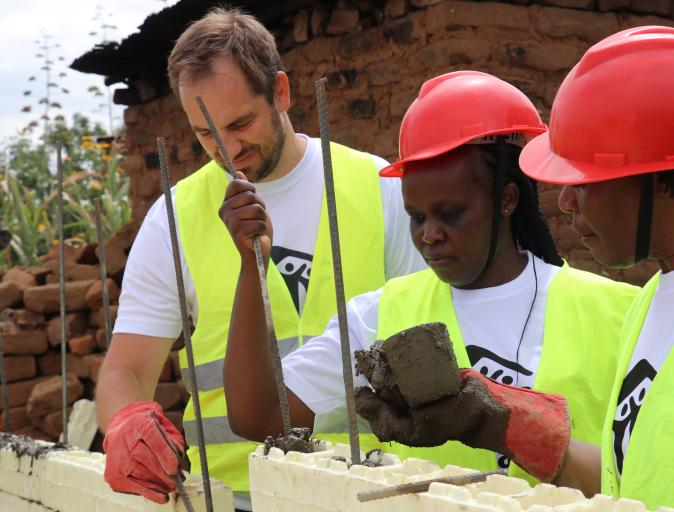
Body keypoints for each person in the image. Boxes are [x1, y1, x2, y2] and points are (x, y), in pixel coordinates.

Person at [360, 27, 674, 512]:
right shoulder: (652, 302)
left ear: (659, 179)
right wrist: (495, 421)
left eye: (583, 182)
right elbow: (633, 485)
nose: (564, 202)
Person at [222, 70, 639, 477]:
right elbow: (261, 417)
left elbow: (641, 474)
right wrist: (250, 266)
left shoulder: (621, 313)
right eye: (416, 216)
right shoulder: (380, 317)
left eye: (450, 213)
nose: (429, 235)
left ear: (507, 199)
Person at [96, 7, 424, 512]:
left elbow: (426, 338)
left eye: (241, 123)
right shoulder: (175, 217)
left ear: (282, 93)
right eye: (206, 134)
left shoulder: (378, 188)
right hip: (231, 500)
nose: (228, 150)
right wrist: (124, 420)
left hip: (367, 496)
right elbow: (126, 370)